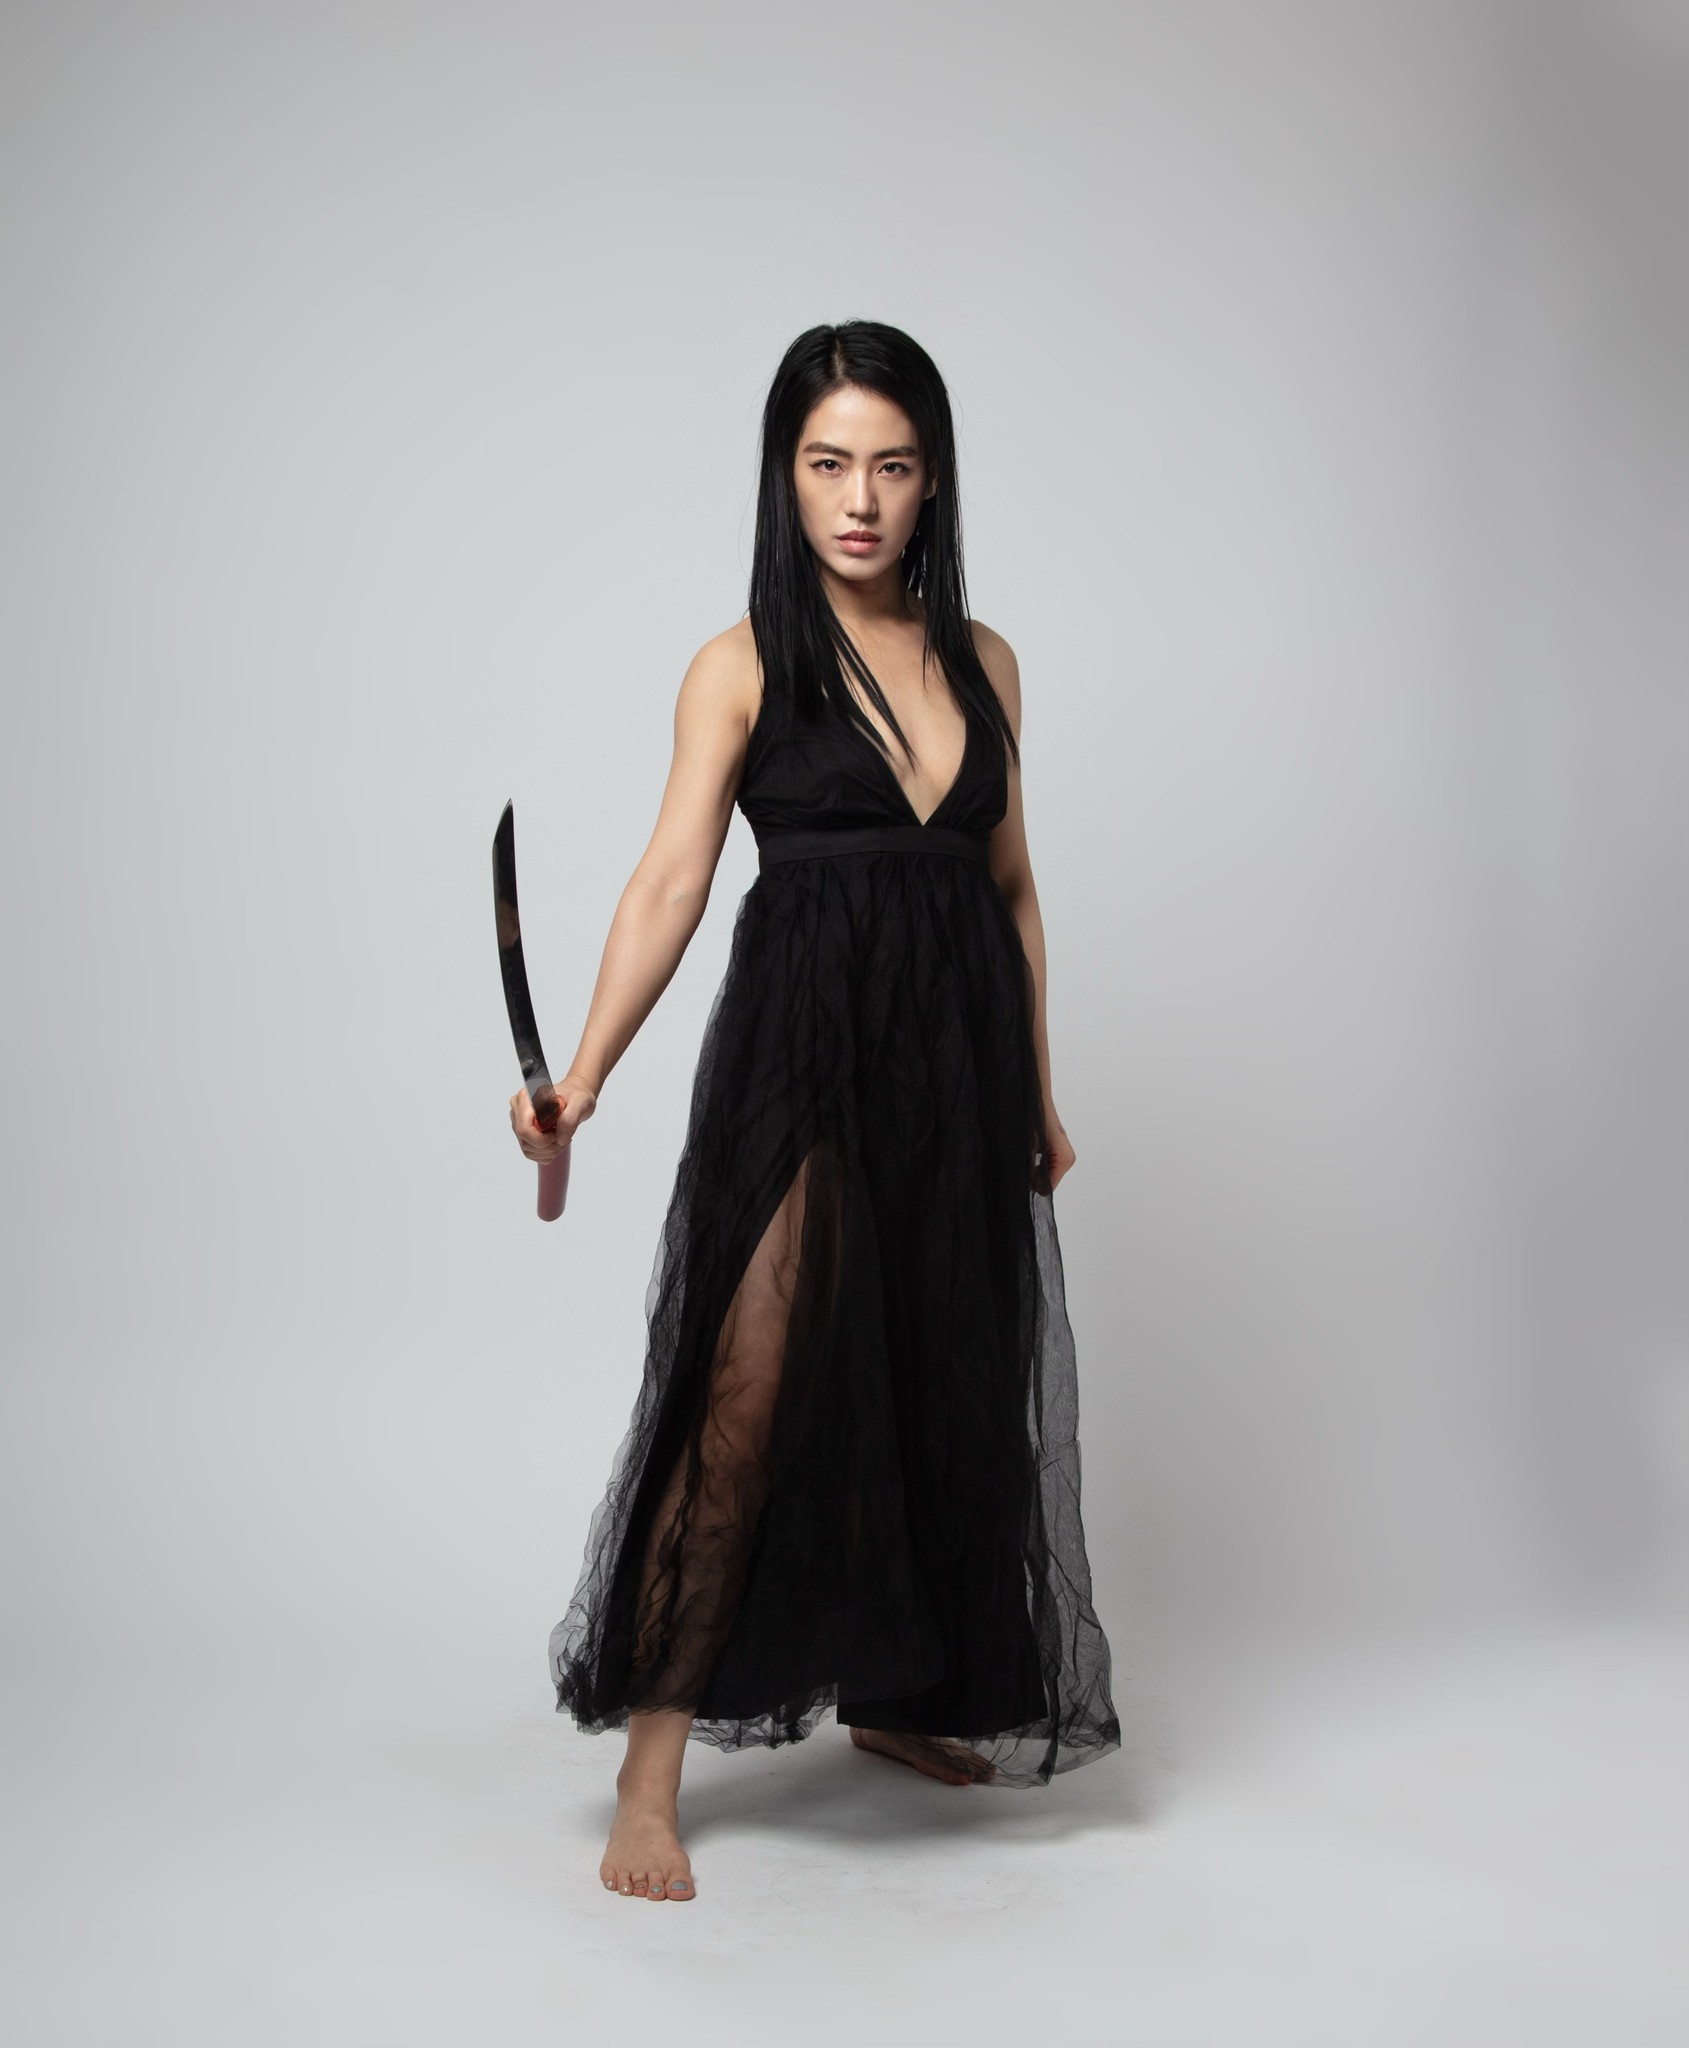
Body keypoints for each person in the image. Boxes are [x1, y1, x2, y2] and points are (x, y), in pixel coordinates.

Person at [509, 320, 1121, 1904]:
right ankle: (652, 1769)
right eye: (827, 463)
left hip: (957, 1058)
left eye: (891, 466)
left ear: (933, 483)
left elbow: (1011, 889)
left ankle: (900, 1697)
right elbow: (669, 881)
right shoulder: (741, 665)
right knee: (745, 1388)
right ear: (784, 476)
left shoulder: (985, 663)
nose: (859, 500)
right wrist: (585, 1073)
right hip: (804, 1047)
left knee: (939, 1367)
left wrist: (1039, 1088)